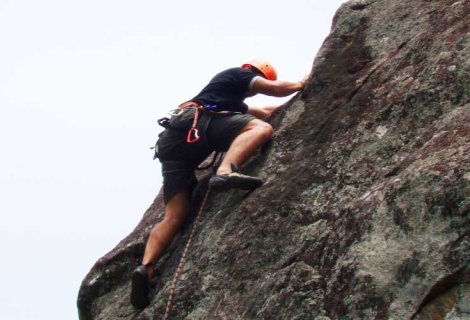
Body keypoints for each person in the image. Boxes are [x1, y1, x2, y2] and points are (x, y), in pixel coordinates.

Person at [131, 59, 308, 308]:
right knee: (260, 130)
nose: (253, 91)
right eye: (255, 86)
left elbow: (266, 110)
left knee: (174, 215)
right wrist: (302, 82)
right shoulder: (237, 74)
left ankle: (146, 268)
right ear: (254, 74)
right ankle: (226, 171)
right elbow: (276, 90)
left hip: (172, 144)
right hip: (196, 124)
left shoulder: (229, 100)